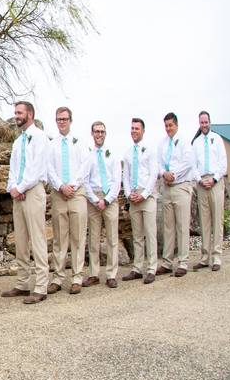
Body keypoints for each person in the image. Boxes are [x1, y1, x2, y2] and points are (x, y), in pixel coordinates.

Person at [2, 101, 51, 304]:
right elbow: (13, 167)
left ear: (30, 114)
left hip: (33, 191)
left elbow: (36, 167)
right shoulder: (17, 141)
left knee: (37, 238)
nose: (16, 116)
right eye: (15, 113)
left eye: (19, 113)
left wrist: (21, 188)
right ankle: (22, 283)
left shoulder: (40, 137)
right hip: (19, 193)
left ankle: (41, 286)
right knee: (20, 239)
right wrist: (13, 187)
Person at [47, 106, 91, 295]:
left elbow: (85, 166)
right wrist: (60, 186)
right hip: (59, 194)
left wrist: (72, 185)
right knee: (59, 238)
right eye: (59, 119)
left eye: (65, 119)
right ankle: (57, 277)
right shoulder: (52, 144)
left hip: (76, 194)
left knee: (78, 237)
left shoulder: (80, 143)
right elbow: (48, 168)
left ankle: (77, 277)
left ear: (70, 121)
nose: (62, 122)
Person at [155, 112, 195, 278]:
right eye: (166, 126)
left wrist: (174, 174)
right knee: (168, 227)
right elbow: (157, 163)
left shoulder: (185, 142)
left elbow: (189, 162)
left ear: (176, 125)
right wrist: (164, 173)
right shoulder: (162, 144)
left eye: (170, 125)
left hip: (181, 186)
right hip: (167, 188)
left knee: (182, 226)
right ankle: (167, 262)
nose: (168, 128)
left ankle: (183, 262)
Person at [84, 121, 121, 288]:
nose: (99, 134)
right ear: (92, 134)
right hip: (93, 199)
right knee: (93, 238)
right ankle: (93, 274)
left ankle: (111, 274)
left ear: (106, 134)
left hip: (110, 199)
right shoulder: (88, 154)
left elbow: (117, 180)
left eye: (102, 131)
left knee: (112, 238)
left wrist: (106, 200)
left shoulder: (112, 154)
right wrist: (94, 199)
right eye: (96, 131)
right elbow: (84, 180)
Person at [122, 118, 159, 284]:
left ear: (143, 131)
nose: (134, 131)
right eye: (132, 128)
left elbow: (153, 174)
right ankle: (137, 268)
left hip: (147, 196)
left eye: (137, 128)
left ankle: (151, 268)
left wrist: (143, 194)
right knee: (137, 235)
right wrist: (129, 193)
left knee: (150, 234)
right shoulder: (128, 153)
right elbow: (126, 176)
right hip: (134, 196)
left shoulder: (150, 150)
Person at [191, 111, 227, 272]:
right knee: (204, 221)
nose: (204, 125)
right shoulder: (196, 142)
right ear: (199, 124)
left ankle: (217, 256)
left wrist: (215, 179)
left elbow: (223, 162)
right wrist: (199, 179)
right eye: (201, 122)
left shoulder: (217, 139)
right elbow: (193, 165)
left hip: (215, 181)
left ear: (210, 122)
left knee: (217, 219)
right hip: (201, 182)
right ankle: (205, 257)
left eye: (206, 122)